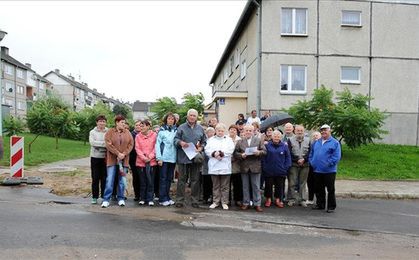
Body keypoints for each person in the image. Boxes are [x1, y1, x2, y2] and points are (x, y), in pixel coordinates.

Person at [174, 109, 207, 208]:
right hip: (183, 157)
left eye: (194, 116)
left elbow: (204, 142)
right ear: (187, 117)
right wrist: (180, 143)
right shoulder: (181, 127)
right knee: (181, 180)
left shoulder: (200, 128)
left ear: (196, 117)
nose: (192, 117)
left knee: (195, 180)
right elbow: (175, 139)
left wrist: (201, 148)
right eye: (191, 115)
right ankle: (179, 200)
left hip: (195, 158)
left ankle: (195, 201)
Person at [101, 115, 134, 208]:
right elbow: (108, 144)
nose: (124, 124)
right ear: (117, 122)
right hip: (112, 160)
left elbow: (131, 144)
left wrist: (123, 154)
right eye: (122, 122)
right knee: (110, 180)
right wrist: (117, 153)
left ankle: (121, 198)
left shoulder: (127, 132)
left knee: (121, 180)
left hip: (124, 161)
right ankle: (106, 199)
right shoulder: (110, 132)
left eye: (124, 122)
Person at [309, 124, 341, 213]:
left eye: (325, 130)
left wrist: (328, 164)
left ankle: (331, 206)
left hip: (329, 171)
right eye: (322, 130)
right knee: (319, 189)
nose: (323, 132)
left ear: (330, 131)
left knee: (330, 189)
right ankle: (320, 204)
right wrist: (312, 162)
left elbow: (336, 156)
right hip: (317, 170)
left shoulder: (335, 143)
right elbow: (311, 153)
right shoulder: (317, 142)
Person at [235, 124, 266, 212]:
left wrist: (258, 152)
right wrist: (241, 155)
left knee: (256, 186)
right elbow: (235, 153)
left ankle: (257, 204)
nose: (248, 132)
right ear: (243, 132)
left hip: (255, 166)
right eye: (246, 130)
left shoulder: (259, 140)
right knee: (245, 186)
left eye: (250, 130)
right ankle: (246, 203)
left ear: (253, 132)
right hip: (244, 166)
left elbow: (265, 151)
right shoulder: (240, 142)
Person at [205, 123, 235, 210]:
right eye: (218, 131)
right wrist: (214, 153)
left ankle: (224, 202)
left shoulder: (228, 140)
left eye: (222, 131)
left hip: (225, 165)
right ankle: (215, 201)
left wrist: (221, 153)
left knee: (225, 186)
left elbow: (231, 149)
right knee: (216, 185)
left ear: (224, 131)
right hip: (214, 165)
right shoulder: (211, 140)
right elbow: (207, 150)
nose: (220, 132)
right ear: (216, 131)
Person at [263, 130, 291, 208]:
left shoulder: (284, 146)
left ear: (280, 137)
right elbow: (263, 157)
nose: (276, 137)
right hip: (269, 170)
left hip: (281, 170)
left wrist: (285, 168)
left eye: (278, 136)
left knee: (279, 186)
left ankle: (278, 200)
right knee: (268, 186)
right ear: (272, 136)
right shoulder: (267, 145)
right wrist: (265, 167)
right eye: (275, 136)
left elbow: (288, 158)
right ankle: (268, 199)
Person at [155, 113, 177, 206]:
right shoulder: (161, 131)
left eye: (172, 119)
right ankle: (162, 198)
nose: (171, 120)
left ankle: (167, 197)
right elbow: (157, 145)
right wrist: (159, 158)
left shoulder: (176, 130)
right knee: (163, 178)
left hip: (173, 158)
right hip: (164, 158)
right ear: (166, 120)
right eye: (169, 119)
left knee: (169, 179)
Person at [287, 125, 311, 207]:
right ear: (295, 131)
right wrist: (297, 159)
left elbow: (310, 152)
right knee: (292, 182)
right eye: (298, 131)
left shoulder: (308, 140)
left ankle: (302, 200)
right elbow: (289, 152)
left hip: (305, 164)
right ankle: (291, 199)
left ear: (303, 131)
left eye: (301, 130)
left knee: (302, 183)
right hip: (294, 164)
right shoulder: (290, 140)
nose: (299, 132)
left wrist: (304, 159)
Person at [135, 120, 157, 206]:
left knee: (150, 181)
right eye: (140, 126)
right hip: (141, 162)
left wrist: (150, 157)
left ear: (148, 126)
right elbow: (137, 148)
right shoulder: (137, 136)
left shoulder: (154, 135)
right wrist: (144, 158)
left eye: (143, 126)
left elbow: (156, 147)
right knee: (143, 181)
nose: (141, 128)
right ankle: (142, 198)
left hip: (151, 162)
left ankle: (150, 198)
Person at [89, 115, 108, 204]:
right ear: (97, 122)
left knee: (104, 178)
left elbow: (109, 143)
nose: (102, 123)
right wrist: (104, 145)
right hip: (95, 158)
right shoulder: (92, 132)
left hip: (105, 158)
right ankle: (94, 196)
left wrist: (99, 145)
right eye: (100, 121)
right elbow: (92, 143)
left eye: (103, 121)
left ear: (106, 123)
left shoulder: (108, 131)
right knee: (95, 178)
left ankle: (104, 196)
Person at [228, 124, 242, 206]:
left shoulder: (239, 140)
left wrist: (236, 157)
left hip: (237, 164)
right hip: (227, 164)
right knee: (227, 183)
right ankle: (228, 199)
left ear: (237, 132)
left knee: (237, 183)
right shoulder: (225, 139)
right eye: (231, 129)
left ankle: (238, 200)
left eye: (234, 130)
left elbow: (241, 150)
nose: (232, 131)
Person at [202, 127, 215, 204]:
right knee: (205, 182)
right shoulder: (204, 142)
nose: (210, 134)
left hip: (214, 165)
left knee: (213, 183)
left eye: (212, 132)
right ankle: (205, 197)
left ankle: (212, 197)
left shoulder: (216, 141)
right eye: (208, 132)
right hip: (205, 165)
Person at [307, 131, 321, 205]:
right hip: (311, 166)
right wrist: (311, 162)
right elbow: (309, 154)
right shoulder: (311, 144)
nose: (315, 136)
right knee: (310, 183)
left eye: (317, 135)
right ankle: (310, 199)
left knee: (318, 184)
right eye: (314, 135)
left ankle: (319, 200)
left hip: (319, 167)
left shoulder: (322, 144)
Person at [129, 120, 142, 201]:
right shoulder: (131, 135)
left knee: (142, 177)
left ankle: (142, 194)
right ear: (134, 126)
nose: (138, 126)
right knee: (135, 177)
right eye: (136, 125)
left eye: (140, 125)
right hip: (133, 159)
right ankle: (137, 194)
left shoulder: (143, 134)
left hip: (142, 159)